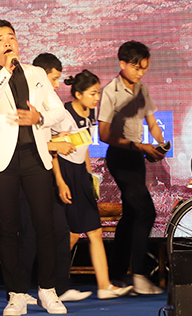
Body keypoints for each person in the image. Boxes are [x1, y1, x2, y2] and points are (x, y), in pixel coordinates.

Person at [0, 21, 67, 315]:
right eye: (0, 40)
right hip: (3, 162)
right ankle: (16, 294)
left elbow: (59, 112)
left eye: (11, 37)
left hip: (36, 157)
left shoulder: (37, 73)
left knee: (44, 225)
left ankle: (48, 290)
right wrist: (5, 71)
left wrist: (39, 117)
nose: (7, 42)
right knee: (8, 228)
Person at [52, 70, 133, 300]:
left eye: (98, 92)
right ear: (78, 94)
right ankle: (53, 285)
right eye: (92, 93)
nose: (97, 97)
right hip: (65, 173)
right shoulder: (64, 114)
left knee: (93, 232)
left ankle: (104, 285)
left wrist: (89, 175)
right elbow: (53, 152)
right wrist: (60, 182)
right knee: (72, 235)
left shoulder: (90, 112)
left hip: (79, 173)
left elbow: (84, 146)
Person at [18, 53, 92, 303]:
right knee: (28, 236)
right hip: (26, 179)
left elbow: (48, 141)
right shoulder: (24, 101)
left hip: (47, 177)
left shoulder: (52, 106)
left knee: (61, 230)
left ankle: (58, 288)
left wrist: (60, 147)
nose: (58, 84)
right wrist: (54, 146)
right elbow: (25, 144)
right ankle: (17, 291)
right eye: (55, 78)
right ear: (40, 75)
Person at [98, 41, 166, 294]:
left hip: (137, 158)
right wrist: (139, 146)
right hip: (119, 156)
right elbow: (104, 134)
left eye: (144, 69)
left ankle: (116, 276)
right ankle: (138, 273)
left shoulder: (142, 89)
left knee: (130, 215)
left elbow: (152, 123)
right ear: (122, 64)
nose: (141, 73)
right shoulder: (110, 91)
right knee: (145, 210)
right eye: (137, 68)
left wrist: (160, 143)